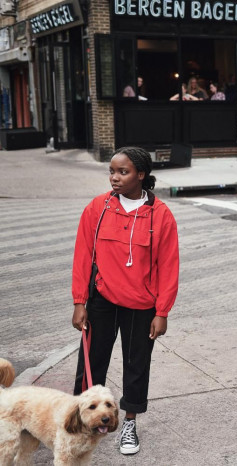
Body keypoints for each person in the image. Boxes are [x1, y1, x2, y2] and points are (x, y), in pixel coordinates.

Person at [71, 146, 180, 456]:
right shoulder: (98, 208)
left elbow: (168, 266)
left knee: (136, 365)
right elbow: (83, 256)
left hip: (141, 304)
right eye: (112, 172)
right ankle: (81, 425)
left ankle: (129, 422)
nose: (114, 178)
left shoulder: (161, 216)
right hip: (102, 299)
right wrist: (80, 301)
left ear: (141, 175)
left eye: (123, 172)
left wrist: (162, 311)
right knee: (91, 364)